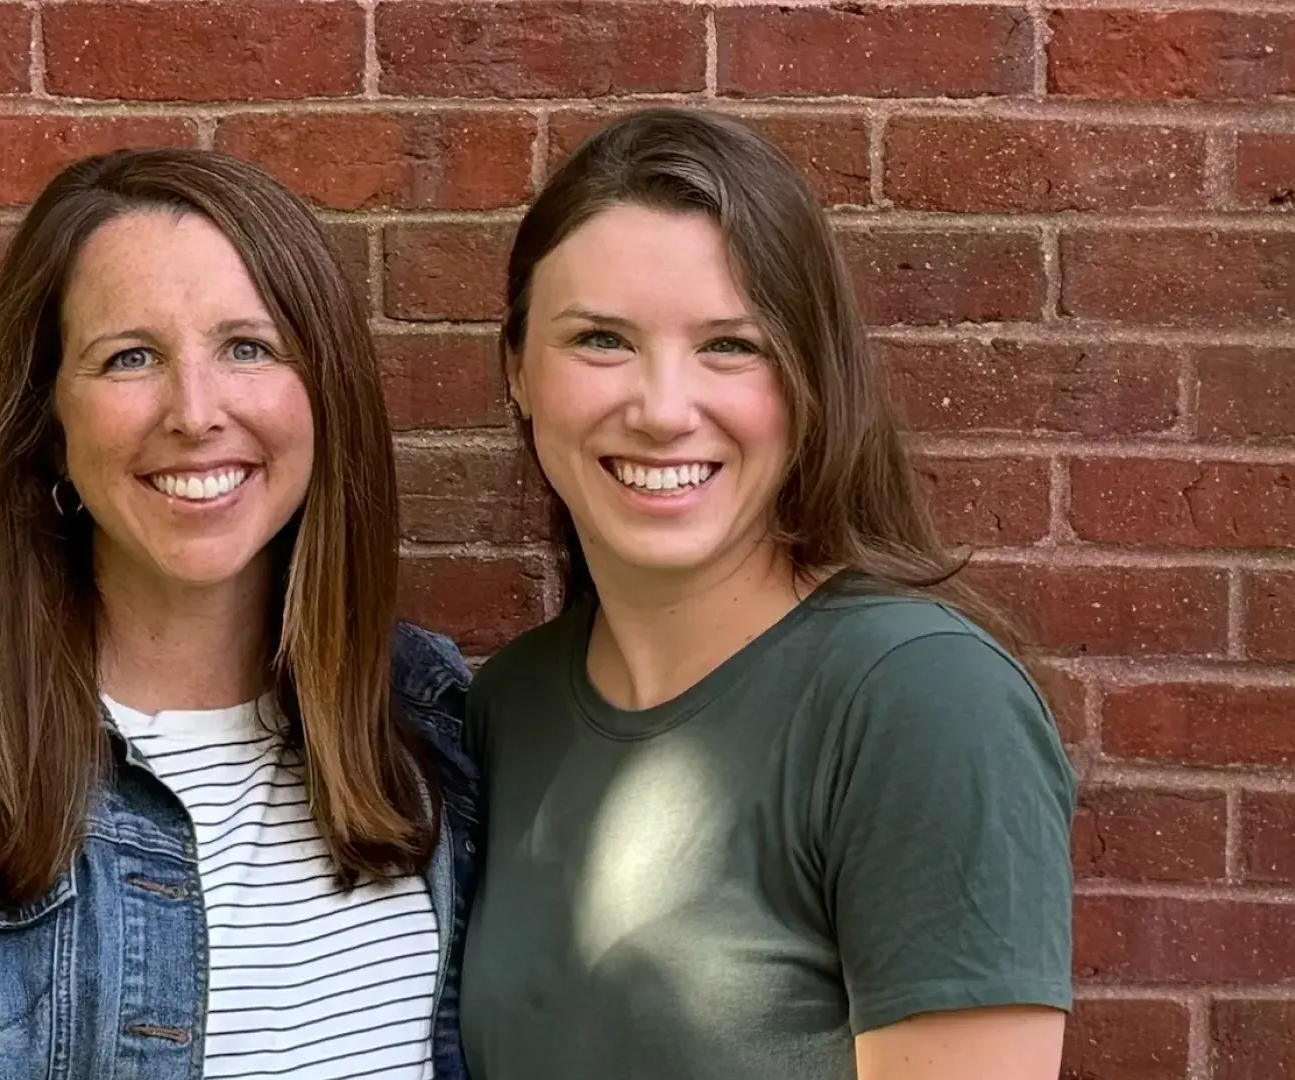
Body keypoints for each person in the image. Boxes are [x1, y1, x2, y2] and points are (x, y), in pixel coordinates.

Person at [0, 149, 478, 1080]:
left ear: (324, 393)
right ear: (47, 423)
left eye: (247, 347)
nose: (195, 412)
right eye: (130, 357)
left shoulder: (431, 715)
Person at [458, 108, 1076, 1080]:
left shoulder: (921, 706)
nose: (663, 409)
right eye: (602, 339)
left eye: (729, 346)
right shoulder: (507, 705)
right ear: (519, 372)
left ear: (807, 379)